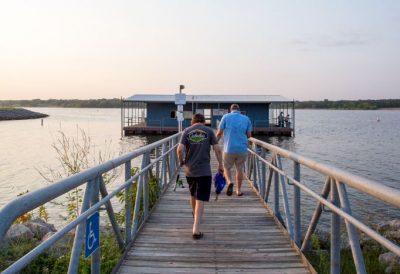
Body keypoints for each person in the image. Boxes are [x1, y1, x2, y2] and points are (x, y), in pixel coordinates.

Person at [177, 113, 223, 239]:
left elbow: (180, 149)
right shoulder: (209, 131)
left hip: (189, 170)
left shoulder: (186, 131)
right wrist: (221, 165)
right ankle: (196, 229)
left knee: (193, 194)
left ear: (193, 122)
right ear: (203, 121)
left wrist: (181, 161)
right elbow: (217, 149)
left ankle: (195, 215)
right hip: (204, 171)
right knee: (200, 198)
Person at [216, 104, 252, 196]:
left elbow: (219, 132)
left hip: (229, 148)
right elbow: (249, 135)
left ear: (230, 110)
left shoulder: (226, 117)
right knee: (239, 169)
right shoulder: (246, 118)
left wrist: (215, 143)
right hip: (242, 148)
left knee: (227, 168)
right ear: (239, 110)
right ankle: (238, 190)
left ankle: (229, 182)